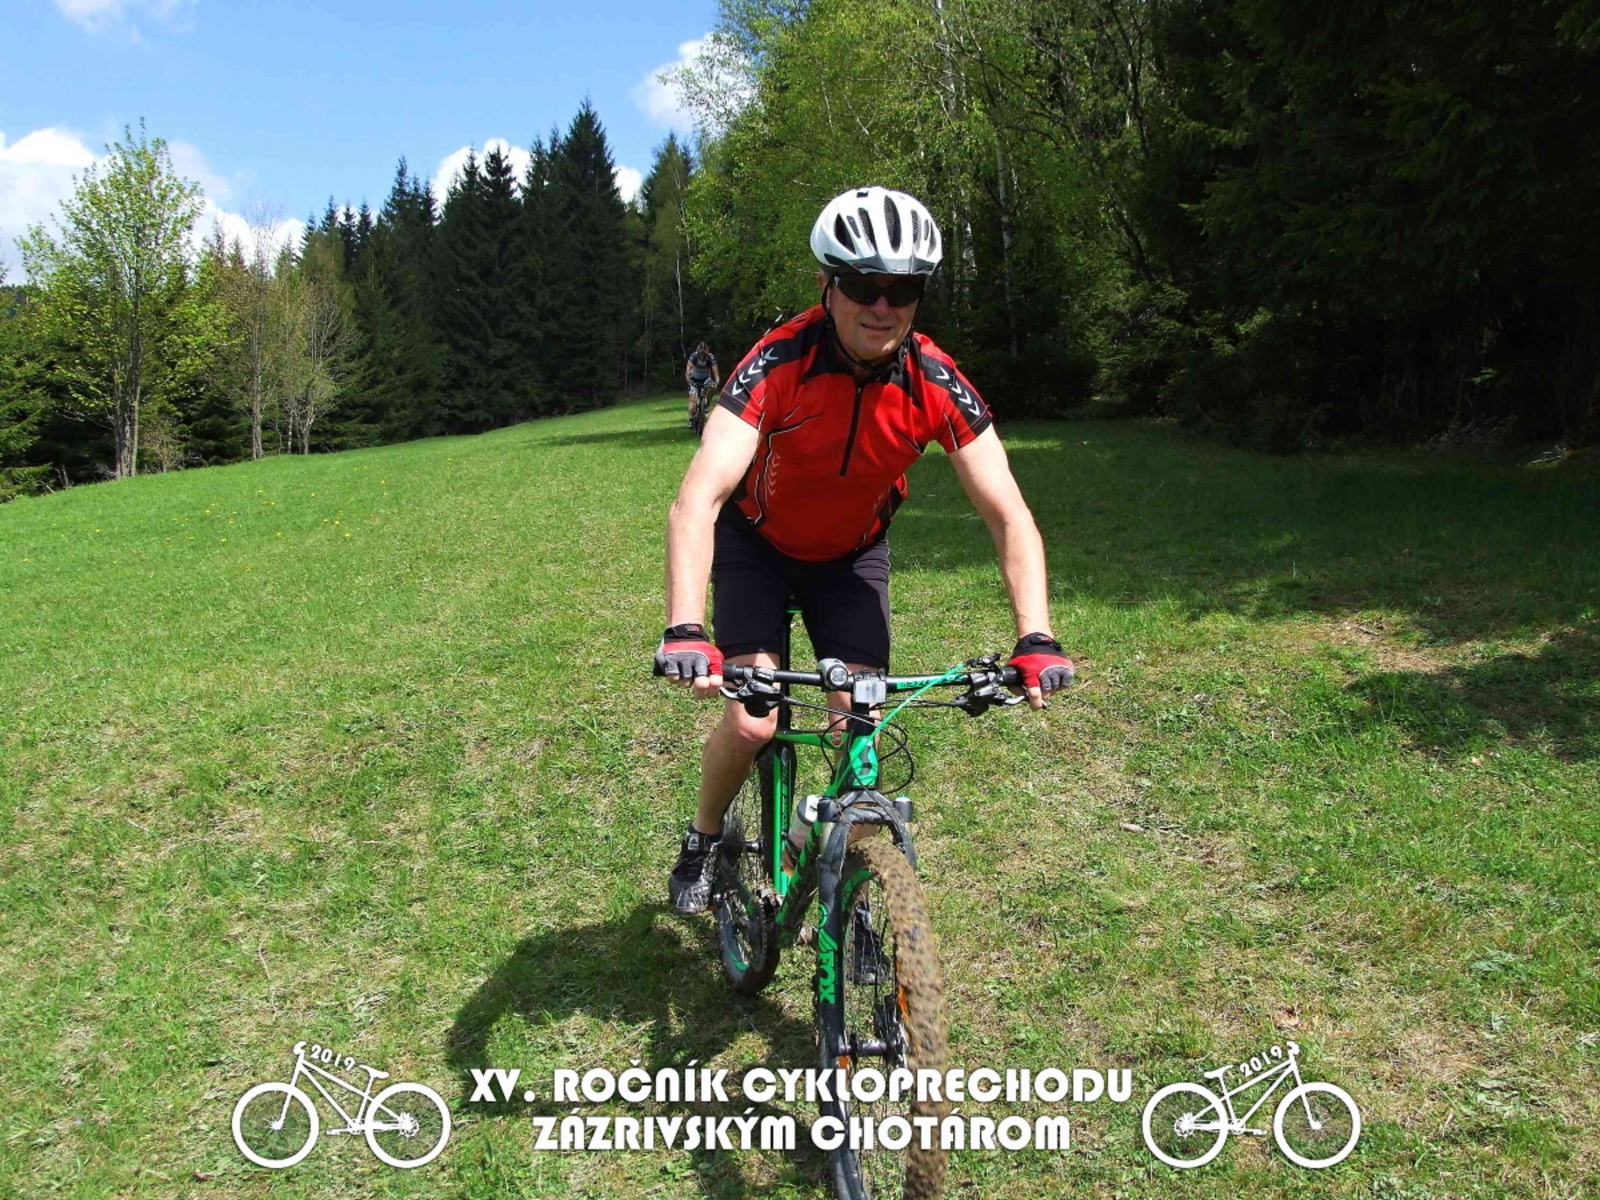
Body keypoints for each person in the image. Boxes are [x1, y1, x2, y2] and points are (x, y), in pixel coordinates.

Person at [655, 187, 1074, 913]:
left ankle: (830, 865)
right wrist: (686, 627)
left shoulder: (934, 381)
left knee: (859, 721)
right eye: (863, 285)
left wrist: (1035, 636)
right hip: (758, 546)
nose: (882, 306)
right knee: (754, 718)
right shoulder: (778, 363)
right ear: (828, 285)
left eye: (902, 290)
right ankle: (704, 836)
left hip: (850, 557)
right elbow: (699, 498)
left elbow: (1009, 515)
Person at [684, 342, 720, 428]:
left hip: (705, 379)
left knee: (712, 387)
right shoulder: (693, 356)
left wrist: (716, 382)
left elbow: (716, 373)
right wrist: (688, 380)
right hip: (694, 379)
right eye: (701, 353)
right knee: (693, 402)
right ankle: (691, 419)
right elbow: (688, 370)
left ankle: (706, 404)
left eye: (704, 354)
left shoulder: (711, 358)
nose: (702, 356)